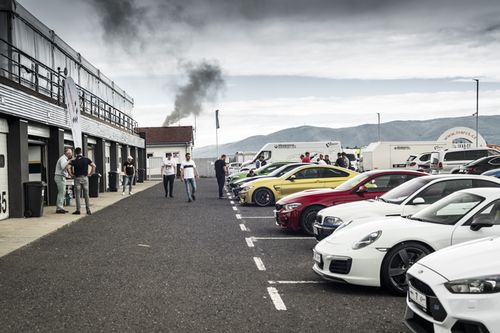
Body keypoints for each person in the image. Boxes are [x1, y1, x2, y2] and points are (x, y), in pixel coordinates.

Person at [67, 147, 95, 215]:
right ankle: (88, 210)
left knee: (77, 195)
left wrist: (71, 174)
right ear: (81, 152)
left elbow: (68, 167)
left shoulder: (74, 160)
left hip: (77, 178)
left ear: (75, 153)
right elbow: (94, 166)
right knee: (86, 195)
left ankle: (78, 210)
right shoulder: (86, 159)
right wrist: (90, 174)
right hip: (85, 178)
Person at [54, 147, 73, 214]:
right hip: (59, 177)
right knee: (61, 192)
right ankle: (59, 208)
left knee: (62, 192)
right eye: (70, 153)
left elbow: (65, 168)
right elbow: (62, 166)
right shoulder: (63, 159)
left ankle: (60, 207)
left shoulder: (64, 159)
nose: (71, 154)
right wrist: (69, 161)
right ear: (66, 153)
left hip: (61, 177)